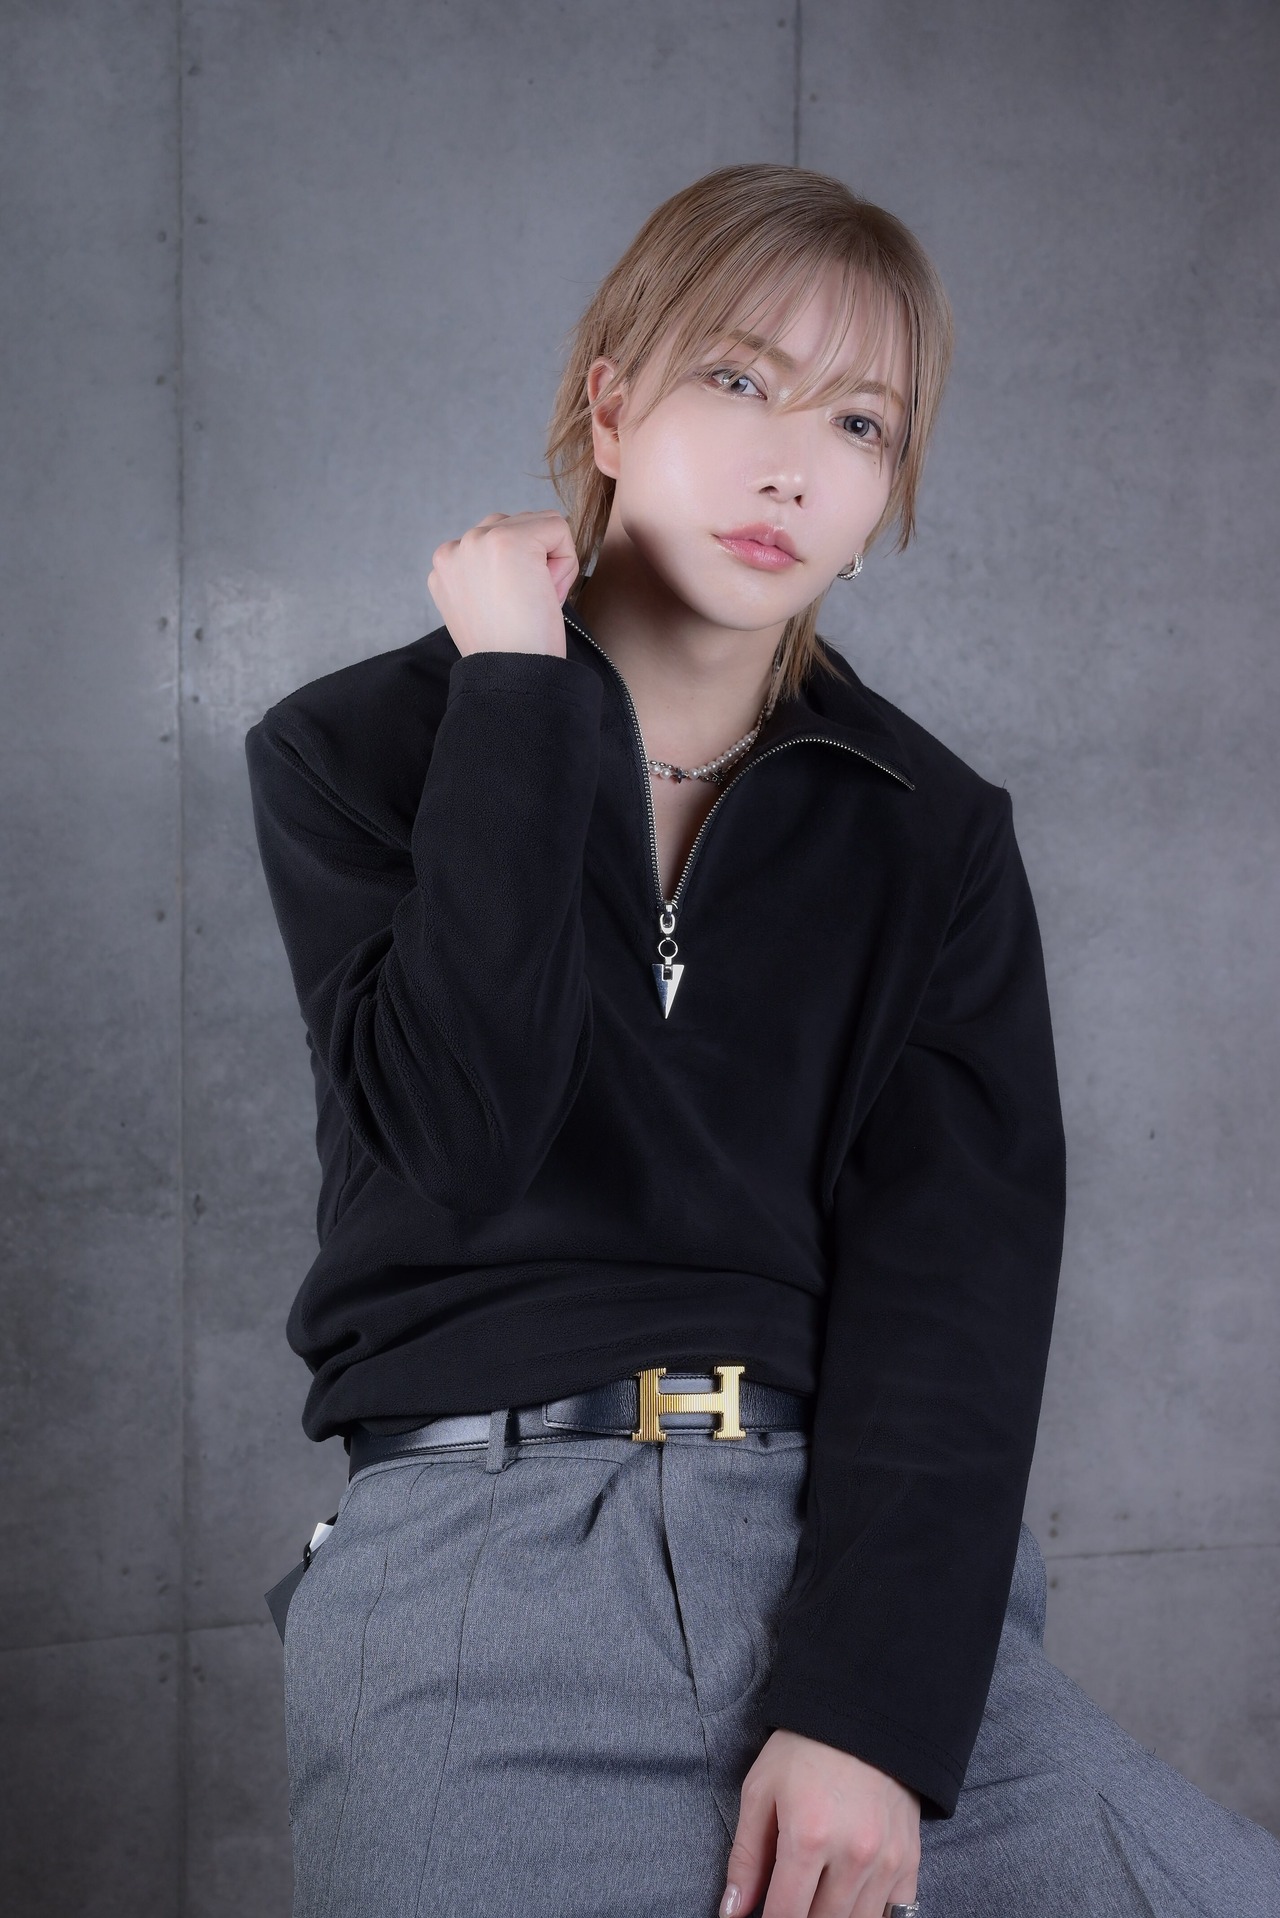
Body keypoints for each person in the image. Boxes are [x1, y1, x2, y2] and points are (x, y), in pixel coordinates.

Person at [245, 163, 1280, 1918]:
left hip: (845, 1571)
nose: (794, 464)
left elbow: (956, 1301)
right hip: (476, 1579)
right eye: (739, 379)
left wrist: (868, 1715)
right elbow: (459, 1144)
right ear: (612, 405)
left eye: (861, 422)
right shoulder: (359, 749)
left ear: (884, 497)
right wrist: (512, 697)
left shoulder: (932, 830)